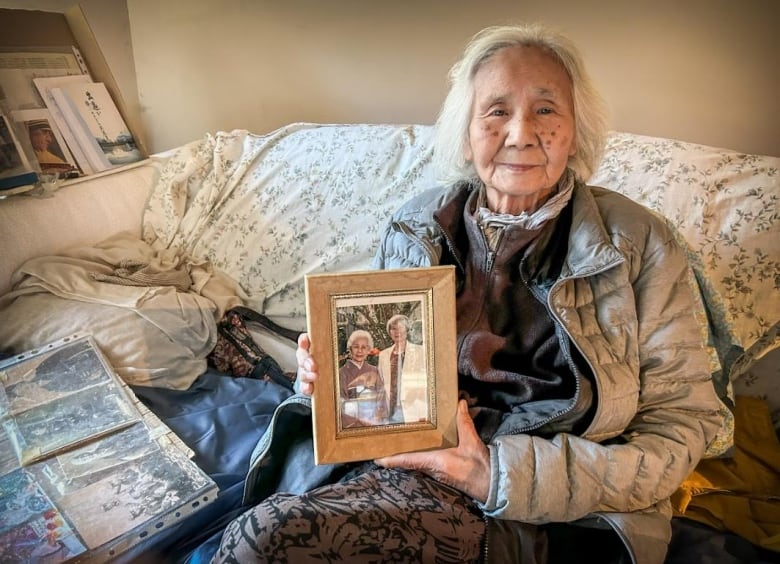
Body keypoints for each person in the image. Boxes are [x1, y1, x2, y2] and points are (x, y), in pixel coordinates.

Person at [211, 22, 723, 564]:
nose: (521, 133)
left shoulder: (639, 241)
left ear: (576, 132)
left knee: (264, 541)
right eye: (496, 110)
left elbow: (681, 425)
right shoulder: (416, 223)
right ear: (467, 132)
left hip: (537, 505)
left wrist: (494, 474)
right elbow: (380, 386)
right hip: (399, 465)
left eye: (546, 110)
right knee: (259, 534)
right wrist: (332, 387)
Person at [377, 314, 428, 423]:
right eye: (393, 328)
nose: (397, 331)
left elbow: (425, 382)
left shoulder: (420, 351)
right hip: (391, 410)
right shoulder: (383, 355)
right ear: (389, 332)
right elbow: (381, 383)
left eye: (400, 327)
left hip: (414, 408)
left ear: (407, 330)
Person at [339, 329, 385, 426]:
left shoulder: (374, 370)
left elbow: (381, 396)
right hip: (352, 424)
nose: (360, 351)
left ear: (369, 350)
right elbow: (342, 401)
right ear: (350, 349)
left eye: (364, 347)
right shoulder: (342, 373)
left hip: (373, 422)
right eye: (356, 347)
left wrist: (376, 418)